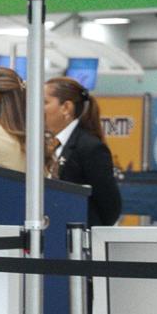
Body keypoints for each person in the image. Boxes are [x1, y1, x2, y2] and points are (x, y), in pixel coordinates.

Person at [45, 76, 122, 227]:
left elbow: (110, 206)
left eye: (44, 102)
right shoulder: (54, 144)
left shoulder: (90, 148)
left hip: (79, 240)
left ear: (66, 107)